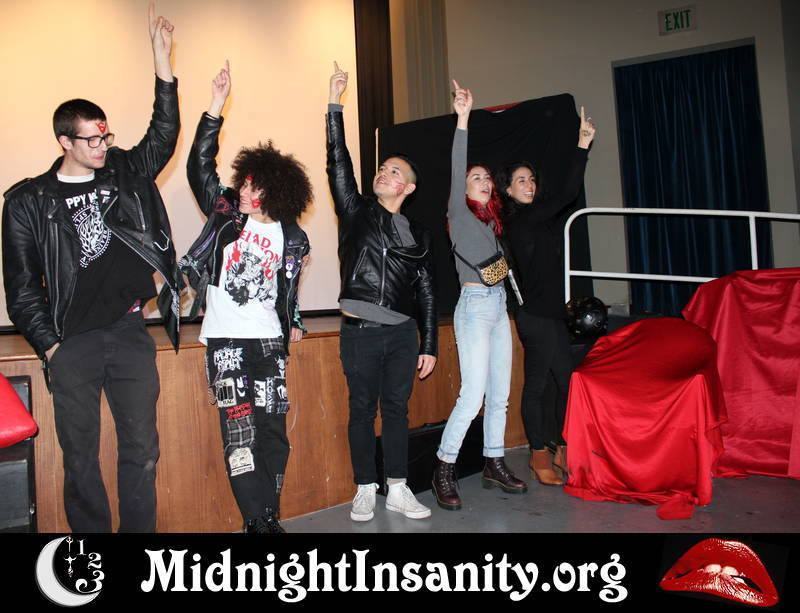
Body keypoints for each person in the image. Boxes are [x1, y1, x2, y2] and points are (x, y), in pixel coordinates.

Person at [1, 4, 181, 532]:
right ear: (65, 141)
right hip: (71, 340)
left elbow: (163, 133)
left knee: (142, 452)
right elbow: (21, 287)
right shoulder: (28, 202)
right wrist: (51, 346)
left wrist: (162, 63)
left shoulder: (124, 171)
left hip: (128, 331)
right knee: (80, 461)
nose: (103, 146)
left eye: (106, 137)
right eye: (92, 140)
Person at [182, 61, 311, 534]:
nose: (244, 190)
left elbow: (286, 290)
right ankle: (257, 520)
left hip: (269, 344)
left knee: (274, 434)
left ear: (273, 191)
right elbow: (199, 167)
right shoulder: (225, 215)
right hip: (226, 342)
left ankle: (268, 515)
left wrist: (294, 318)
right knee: (239, 435)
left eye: (254, 185)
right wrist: (215, 106)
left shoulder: (292, 237)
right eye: (244, 182)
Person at [327, 62, 437, 522]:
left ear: (407, 187)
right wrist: (334, 106)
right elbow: (338, 162)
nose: (383, 173)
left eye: (393, 171)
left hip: (402, 334)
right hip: (360, 333)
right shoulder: (356, 211)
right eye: (381, 168)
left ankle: (397, 487)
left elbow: (426, 291)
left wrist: (429, 344)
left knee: (396, 410)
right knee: (360, 410)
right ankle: (364, 487)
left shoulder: (418, 233)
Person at [432, 82, 527, 511]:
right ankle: (444, 467)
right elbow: (458, 164)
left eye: (488, 178)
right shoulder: (458, 212)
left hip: (499, 306)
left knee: (500, 393)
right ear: (464, 188)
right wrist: (464, 117)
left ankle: (493, 461)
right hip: (473, 306)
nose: (485, 182)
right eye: (477, 178)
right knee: (473, 394)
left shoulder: (492, 225)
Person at [496, 107, 596, 485]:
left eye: (531, 179)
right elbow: (568, 193)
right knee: (541, 384)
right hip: (535, 316)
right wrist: (582, 144)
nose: (529, 184)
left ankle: (559, 448)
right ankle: (540, 453)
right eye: (520, 180)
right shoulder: (522, 220)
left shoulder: (537, 218)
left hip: (551, 313)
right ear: (508, 190)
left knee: (562, 382)